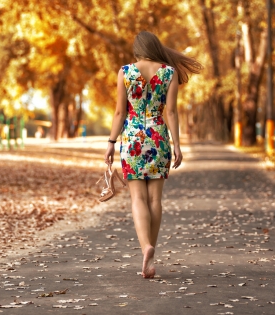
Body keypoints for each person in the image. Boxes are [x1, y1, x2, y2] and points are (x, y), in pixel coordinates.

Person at [104, 31, 202, 279]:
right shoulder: (170, 73)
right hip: (159, 138)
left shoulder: (125, 72)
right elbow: (171, 113)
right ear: (155, 47)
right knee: (155, 200)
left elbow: (119, 113)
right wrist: (177, 145)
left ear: (137, 49)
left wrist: (110, 142)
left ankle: (145, 247)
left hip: (133, 140)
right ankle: (151, 254)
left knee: (137, 198)